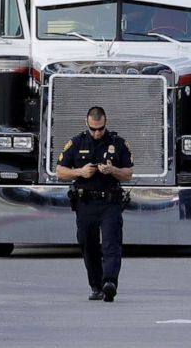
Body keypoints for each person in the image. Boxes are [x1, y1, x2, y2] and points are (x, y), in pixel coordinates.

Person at [57, 106, 134, 302]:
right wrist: (80, 172)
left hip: (110, 202)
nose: (97, 133)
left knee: (111, 243)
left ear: (105, 124)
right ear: (87, 123)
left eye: (100, 128)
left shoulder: (117, 143)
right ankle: (96, 285)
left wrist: (113, 170)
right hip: (85, 202)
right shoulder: (76, 143)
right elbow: (60, 171)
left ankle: (110, 283)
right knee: (87, 244)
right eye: (93, 129)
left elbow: (128, 173)